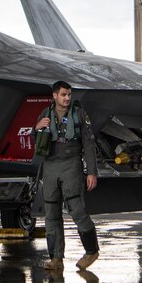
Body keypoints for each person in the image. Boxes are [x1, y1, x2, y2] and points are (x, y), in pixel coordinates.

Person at [34, 80, 99, 271]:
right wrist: (36, 127)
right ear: (54, 95)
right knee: (51, 214)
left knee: (77, 210)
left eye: (69, 95)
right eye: (63, 94)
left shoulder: (78, 114)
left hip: (71, 165)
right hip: (50, 165)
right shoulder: (45, 114)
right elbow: (35, 138)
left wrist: (91, 172)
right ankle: (56, 258)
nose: (67, 98)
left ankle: (91, 251)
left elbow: (88, 144)